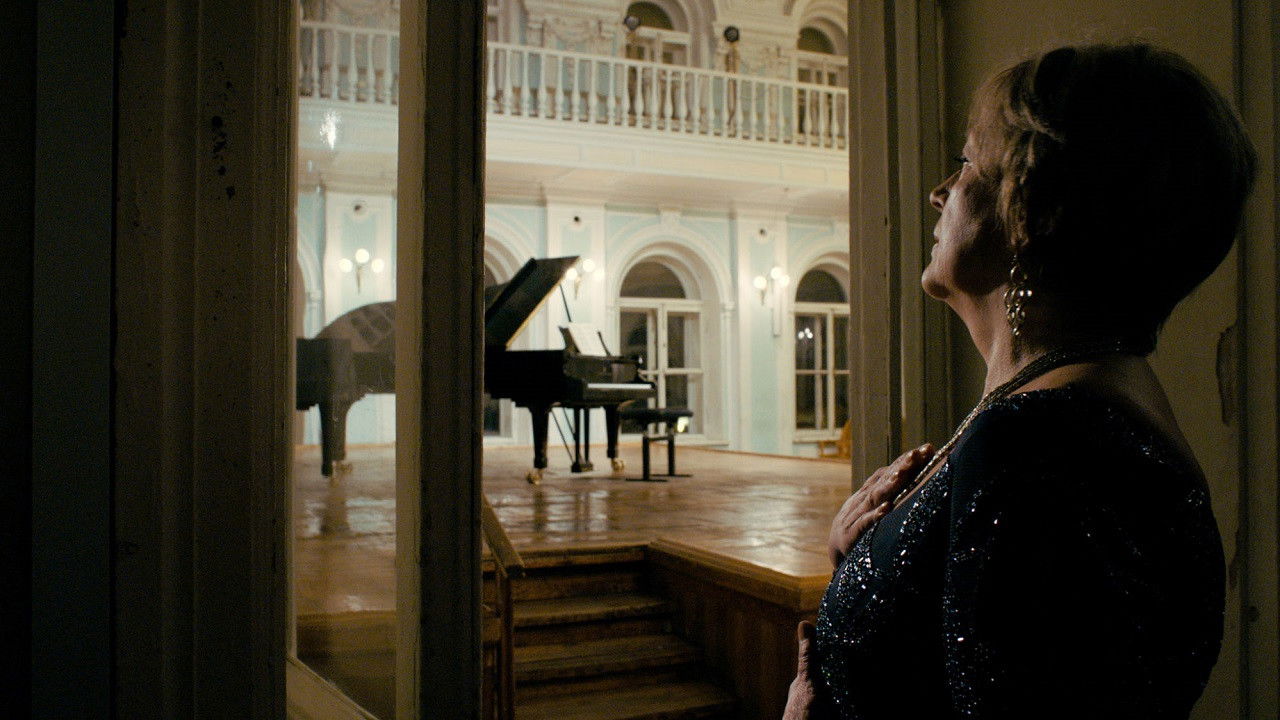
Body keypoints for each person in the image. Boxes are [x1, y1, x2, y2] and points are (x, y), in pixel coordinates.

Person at [784, 42, 1256, 720]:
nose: (939, 192)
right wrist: (865, 562)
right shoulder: (1062, 406)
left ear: (1033, 210)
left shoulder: (1041, 446)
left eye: (966, 163)